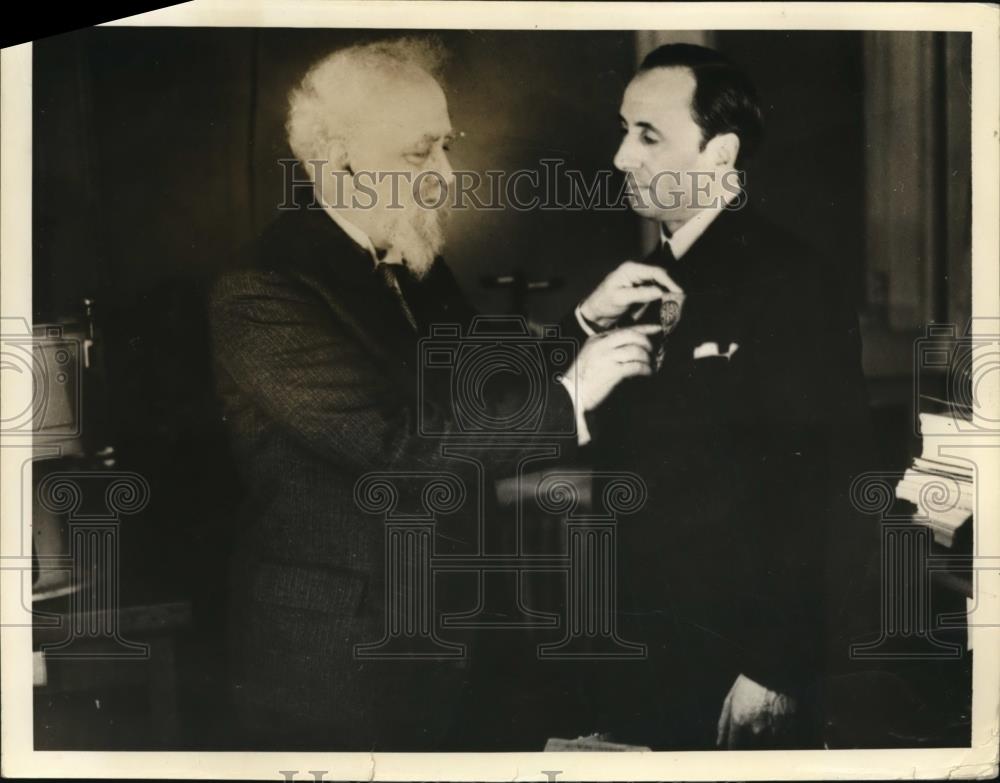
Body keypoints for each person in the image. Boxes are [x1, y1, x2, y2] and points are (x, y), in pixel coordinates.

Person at [208, 37, 666, 751]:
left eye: (446, 148)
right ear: (339, 163)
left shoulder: (410, 259)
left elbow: (482, 385)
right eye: (420, 154)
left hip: (438, 634)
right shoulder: (262, 291)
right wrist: (572, 392)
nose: (447, 177)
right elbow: (400, 445)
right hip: (337, 659)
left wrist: (581, 323)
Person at [563, 43, 879, 749]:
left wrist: (778, 667)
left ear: (720, 153)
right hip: (641, 650)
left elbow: (836, 480)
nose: (621, 157)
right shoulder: (633, 283)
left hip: (740, 663)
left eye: (648, 135)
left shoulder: (790, 278)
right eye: (623, 130)